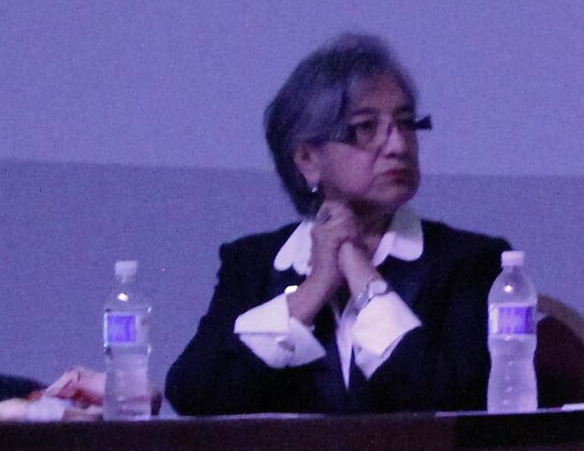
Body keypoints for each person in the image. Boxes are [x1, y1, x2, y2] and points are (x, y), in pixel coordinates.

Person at [163, 33, 511, 415]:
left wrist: (360, 273)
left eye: (406, 123)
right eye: (365, 128)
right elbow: (193, 393)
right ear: (308, 159)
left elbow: (452, 398)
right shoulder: (253, 264)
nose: (398, 146)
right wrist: (314, 289)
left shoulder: (472, 263)